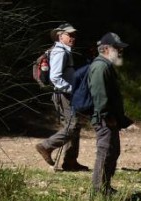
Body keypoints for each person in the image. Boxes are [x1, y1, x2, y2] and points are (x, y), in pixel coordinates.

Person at [34, 23, 87, 171]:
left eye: (74, 35)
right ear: (60, 36)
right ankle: (46, 146)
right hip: (64, 94)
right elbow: (55, 77)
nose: (73, 37)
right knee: (73, 126)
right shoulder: (60, 52)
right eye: (70, 35)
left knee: (72, 127)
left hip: (64, 94)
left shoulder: (63, 51)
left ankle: (70, 162)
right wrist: (72, 90)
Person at [89, 32, 132, 197]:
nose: (120, 51)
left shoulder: (105, 65)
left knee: (112, 152)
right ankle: (99, 191)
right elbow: (99, 94)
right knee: (105, 153)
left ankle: (105, 188)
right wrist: (107, 116)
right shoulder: (100, 66)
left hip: (109, 119)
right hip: (105, 119)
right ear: (106, 49)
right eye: (117, 47)